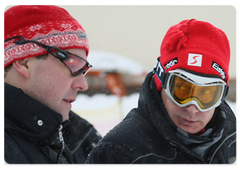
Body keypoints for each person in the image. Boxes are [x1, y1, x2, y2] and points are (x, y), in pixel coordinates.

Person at [86, 19, 237, 165]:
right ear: (161, 83)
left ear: (221, 95)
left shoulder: (232, 136)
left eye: (206, 94)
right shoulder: (118, 154)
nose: (192, 109)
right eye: (181, 90)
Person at [2, 3, 101, 165]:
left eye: (84, 70)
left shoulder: (81, 138)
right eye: (73, 64)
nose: (83, 85)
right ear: (24, 62)